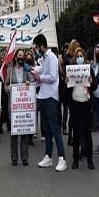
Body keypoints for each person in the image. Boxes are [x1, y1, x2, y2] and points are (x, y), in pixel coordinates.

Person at [32, 34, 67, 172]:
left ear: (41, 45)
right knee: (46, 129)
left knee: (55, 129)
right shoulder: (44, 58)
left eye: (36, 46)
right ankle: (48, 156)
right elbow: (43, 71)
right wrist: (36, 72)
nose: (35, 49)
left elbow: (53, 76)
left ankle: (62, 158)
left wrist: (39, 77)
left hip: (51, 97)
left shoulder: (51, 57)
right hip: (43, 96)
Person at [66, 47, 97, 170]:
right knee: (76, 132)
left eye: (81, 56)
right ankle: (75, 159)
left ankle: (90, 160)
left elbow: (94, 85)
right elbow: (67, 89)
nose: (79, 58)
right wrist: (66, 81)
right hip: (75, 104)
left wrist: (92, 81)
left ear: (84, 57)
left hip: (86, 103)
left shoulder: (88, 69)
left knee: (87, 133)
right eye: (77, 56)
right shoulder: (71, 70)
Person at [4, 48, 34, 166]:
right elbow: (5, 86)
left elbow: (33, 84)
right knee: (14, 133)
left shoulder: (27, 70)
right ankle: (14, 157)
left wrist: (29, 84)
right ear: (16, 57)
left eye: (23, 56)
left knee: (25, 133)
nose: (22, 58)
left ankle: (25, 157)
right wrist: (9, 89)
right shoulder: (10, 71)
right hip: (13, 106)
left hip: (25, 106)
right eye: (20, 55)